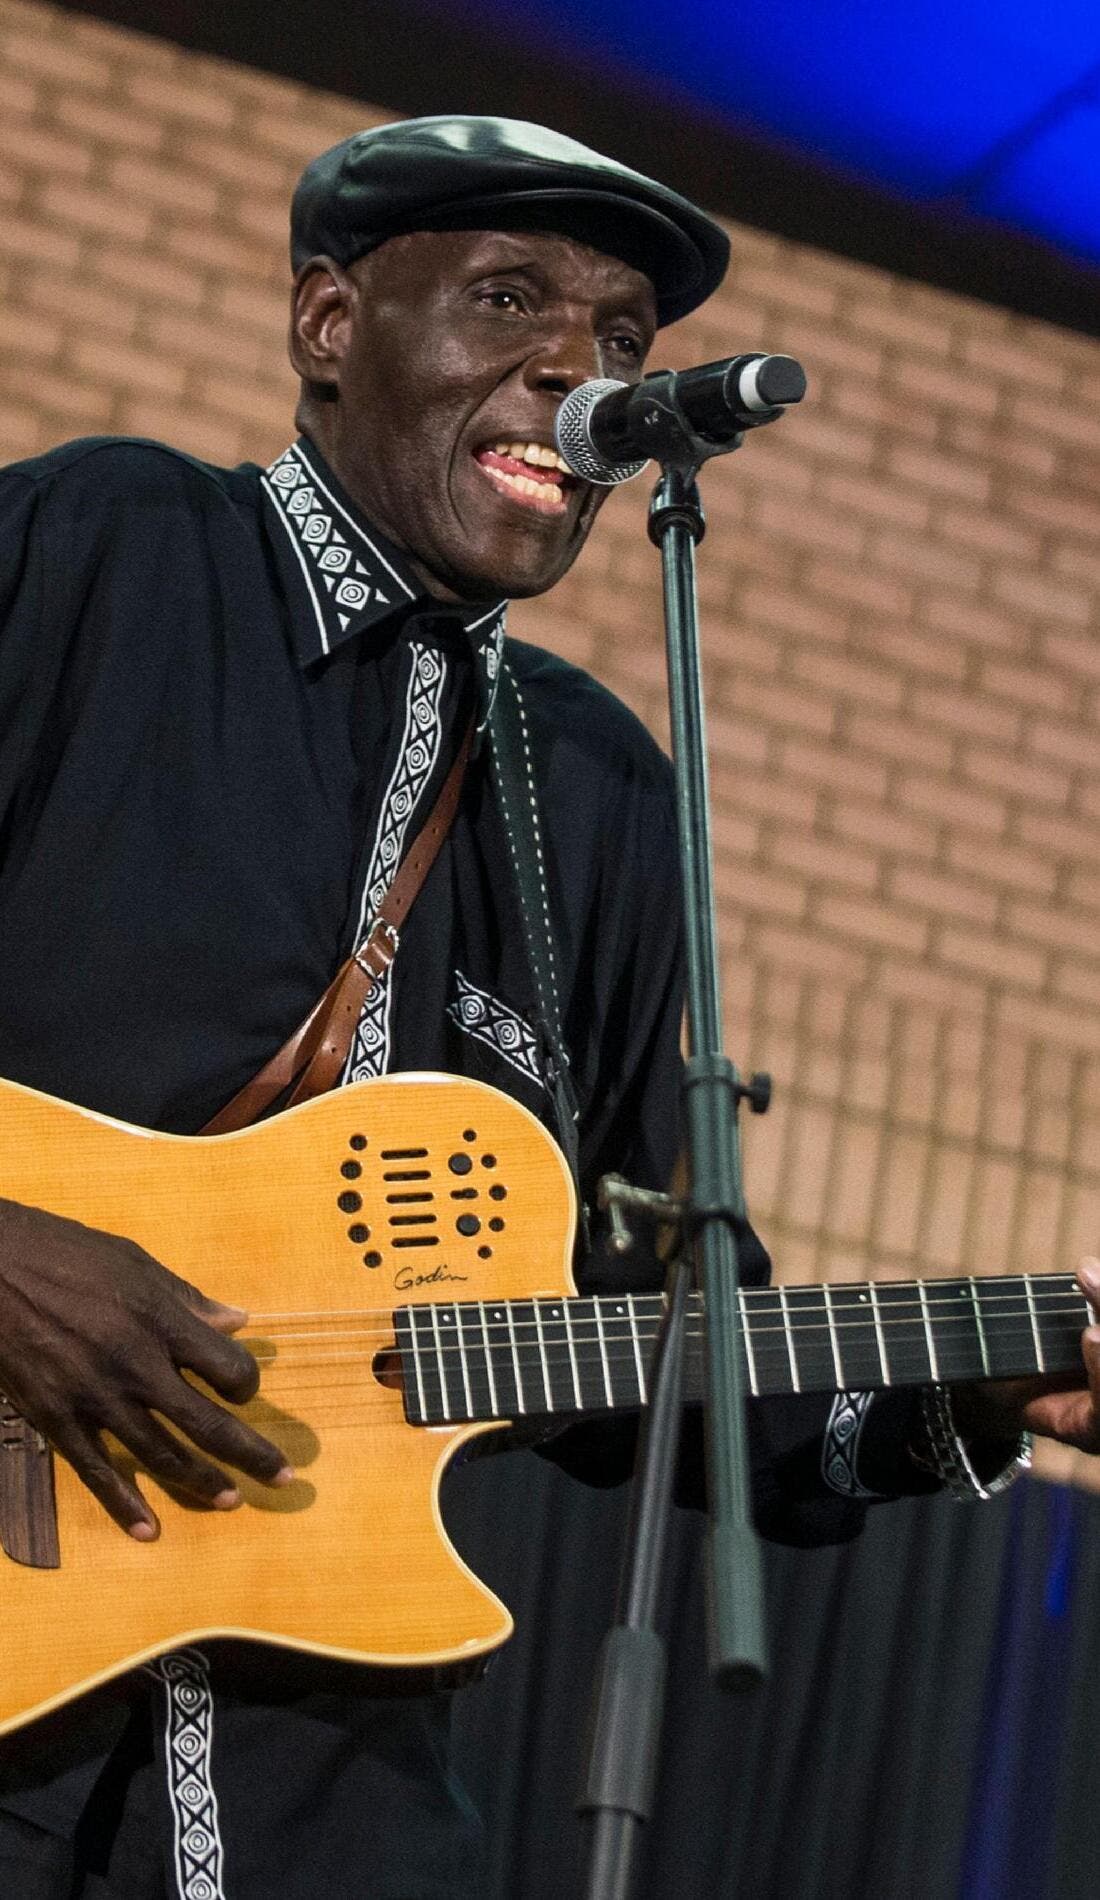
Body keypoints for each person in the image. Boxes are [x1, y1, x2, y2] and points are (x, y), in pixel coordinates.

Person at [0, 114, 1096, 1900]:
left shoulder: (592, 792)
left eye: (621, 345)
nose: (574, 372)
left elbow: (651, 1349)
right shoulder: (96, 548)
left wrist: (960, 1397)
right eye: (508, 299)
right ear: (332, 327)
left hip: (313, 1779)